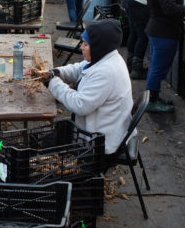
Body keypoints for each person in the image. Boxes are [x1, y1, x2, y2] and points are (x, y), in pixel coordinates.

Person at [46, 19, 134, 155]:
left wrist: (52, 83)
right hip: (101, 127)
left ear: (98, 47)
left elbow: (80, 104)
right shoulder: (107, 56)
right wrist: (57, 72)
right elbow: (79, 68)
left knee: (48, 145)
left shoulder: (106, 72)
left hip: (99, 141)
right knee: (52, 135)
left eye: (85, 44)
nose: (81, 47)